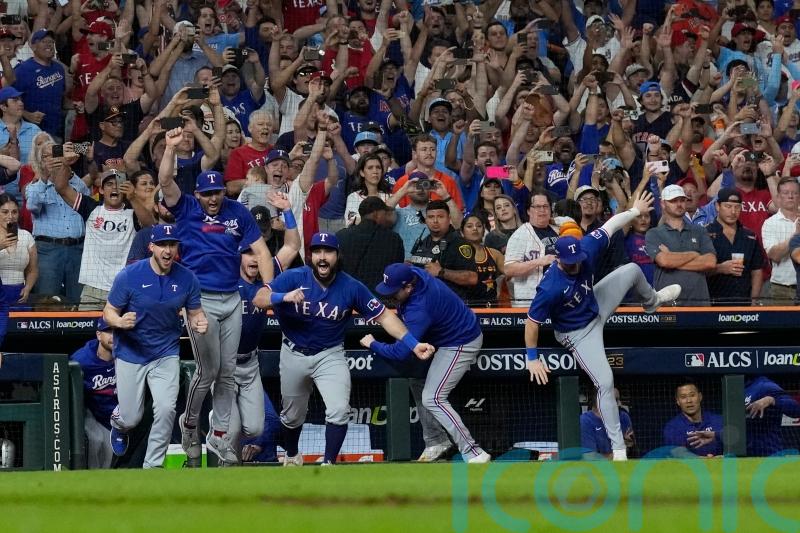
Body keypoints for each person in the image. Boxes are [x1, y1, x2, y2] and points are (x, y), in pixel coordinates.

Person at [524, 191, 681, 462]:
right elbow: (532, 322)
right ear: (558, 259)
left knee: (632, 270)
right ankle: (619, 449)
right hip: (577, 333)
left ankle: (652, 302)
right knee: (605, 382)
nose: (576, 266)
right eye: (570, 264)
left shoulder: (584, 248)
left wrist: (634, 212)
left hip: (595, 302)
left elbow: (610, 226)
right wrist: (532, 358)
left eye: (577, 262)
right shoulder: (550, 287)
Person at [262, 232, 434, 466]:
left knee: (339, 410)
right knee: (292, 417)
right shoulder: (293, 277)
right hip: (293, 352)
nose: (323, 258)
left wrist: (413, 344)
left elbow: (384, 317)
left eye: (328, 252)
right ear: (311, 255)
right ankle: (292, 455)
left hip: (329, 354)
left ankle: (329, 464)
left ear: (337, 255)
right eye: (318, 252)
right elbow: (259, 298)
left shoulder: (351, 286)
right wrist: (283, 297)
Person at [157, 126, 274, 465]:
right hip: (199, 300)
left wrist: (267, 287)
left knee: (225, 371)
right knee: (208, 370)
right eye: (207, 193)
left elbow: (262, 252)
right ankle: (190, 423)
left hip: (231, 299)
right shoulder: (188, 208)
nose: (212, 198)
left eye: (217, 193)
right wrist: (169, 149)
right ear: (198, 193)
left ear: (224, 191)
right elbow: (165, 182)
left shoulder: (237, 212)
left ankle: (220, 437)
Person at [362, 262, 491, 463]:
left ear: (409, 287)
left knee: (434, 397)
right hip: (439, 337)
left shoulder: (419, 308)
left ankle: (473, 451)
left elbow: (400, 352)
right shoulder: (414, 273)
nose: (390, 296)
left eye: (394, 292)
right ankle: (436, 441)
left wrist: (373, 344)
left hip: (461, 341)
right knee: (417, 379)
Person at [105, 224, 208, 469]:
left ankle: (153, 467)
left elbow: (195, 313)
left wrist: (199, 322)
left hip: (165, 352)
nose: (168, 250)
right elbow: (109, 311)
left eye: (172, 245)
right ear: (151, 246)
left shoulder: (187, 278)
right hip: (131, 352)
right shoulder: (130, 275)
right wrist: (119, 321)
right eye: (162, 244)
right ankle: (119, 424)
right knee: (132, 418)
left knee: (166, 409)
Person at [224, 192, 300, 465]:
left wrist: (288, 211)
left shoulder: (269, 278)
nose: (254, 258)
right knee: (230, 430)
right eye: (248, 253)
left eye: (257, 252)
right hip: (223, 365)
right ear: (239, 256)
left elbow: (291, 246)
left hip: (249, 362)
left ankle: (254, 463)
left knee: (264, 424)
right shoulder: (225, 278)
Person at [52, 165, 153, 309]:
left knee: (124, 330)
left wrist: (133, 198)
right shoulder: (91, 208)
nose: (114, 188)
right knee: (85, 331)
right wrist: (65, 163)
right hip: (93, 289)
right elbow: (61, 187)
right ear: (101, 189)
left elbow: (150, 226)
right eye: (109, 184)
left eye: (119, 184)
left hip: (124, 287)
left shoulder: (133, 212)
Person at [25, 141, 90, 304]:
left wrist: (68, 168)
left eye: (57, 153)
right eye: (48, 156)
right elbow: (32, 205)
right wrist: (45, 176)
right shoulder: (34, 186)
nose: (54, 159)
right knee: (47, 302)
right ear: (41, 161)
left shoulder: (77, 183)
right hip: (48, 251)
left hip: (78, 250)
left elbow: (88, 205)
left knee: (79, 302)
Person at [645, 185, 717, 306]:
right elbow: (664, 261)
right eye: (673, 201)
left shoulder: (700, 231)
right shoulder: (654, 233)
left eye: (682, 200)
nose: (679, 204)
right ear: (663, 204)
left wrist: (672, 258)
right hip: (667, 304)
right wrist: (694, 254)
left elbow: (710, 262)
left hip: (699, 303)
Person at [408, 199, 480, 302]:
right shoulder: (424, 241)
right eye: (431, 217)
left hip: (450, 306)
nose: (435, 221)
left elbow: (472, 278)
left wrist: (442, 272)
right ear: (426, 220)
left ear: (449, 218)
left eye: (440, 217)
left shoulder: (459, 244)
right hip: (424, 302)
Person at [69, 317, 116, 469]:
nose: (113, 336)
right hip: (92, 410)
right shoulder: (82, 360)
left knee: (110, 448)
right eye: (108, 331)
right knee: (95, 440)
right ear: (98, 334)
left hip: (118, 415)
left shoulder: (128, 356)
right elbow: (73, 395)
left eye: (117, 331)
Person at [706, 188, 765, 305]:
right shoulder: (705, 234)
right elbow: (697, 270)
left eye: (737, 207)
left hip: (744, 304)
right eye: (728, 206)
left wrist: (754, 301)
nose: (733, 212)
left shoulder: (750, 236)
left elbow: (757, 271)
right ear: (717, 206)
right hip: (713, 304)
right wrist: (720, 268)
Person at [336, 196, 404, 293]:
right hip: (380, 298)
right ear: (377, 214)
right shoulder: (393, 239)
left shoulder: (341, 235)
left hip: (347, 295)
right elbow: (396, 270)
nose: (387, 218)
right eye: (385, 213)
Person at [504, 191, 559, 308]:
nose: (542, 210)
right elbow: (509, 269)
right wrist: (539, 262)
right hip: (532, 300)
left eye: (545, 206)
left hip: (558, 297)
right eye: (537, 207)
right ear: (529, 211)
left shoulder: (559, 229)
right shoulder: (520, 235)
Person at [761, 177, 800, 303]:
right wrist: (796, 235)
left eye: (794, 193)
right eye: (786, 193)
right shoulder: (770, 223)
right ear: (778, 197)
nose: (790, 196)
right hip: (782, 289)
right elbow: (774, 255)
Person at [663, 380, 724, 458]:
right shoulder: (673, 427)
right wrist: (701, 460)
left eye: (692, 395)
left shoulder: (718, 421)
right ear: (678, 401)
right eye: (683, 397)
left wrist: (724, 457)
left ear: (700, 397)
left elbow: (735, 446)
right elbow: (677, 453)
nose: (689, 401)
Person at [746, 376, 800, 457]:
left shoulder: (764, 385)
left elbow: (795, 409)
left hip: (769, 455)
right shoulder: (731, 387)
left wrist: (772, 400)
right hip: (743, 456)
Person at [0, 193, 36, 309]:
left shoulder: (26, 236)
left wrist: (28, 288)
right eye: (5, 212)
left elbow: (33, 269)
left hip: (19, 294)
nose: (10, 216)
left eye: (14, 212)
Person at [461, 214, 504, 307]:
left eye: (479, 226)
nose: (475, 229)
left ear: (484, 230)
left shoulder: (494, 254)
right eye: (469, 226)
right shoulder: (456, 255)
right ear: (462, 232)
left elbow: (511, 273)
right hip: (465, 308)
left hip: (491, 309)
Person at [581, 388, 634, 460]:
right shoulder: (585, 421)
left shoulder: (623, 417)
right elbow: (591, 458)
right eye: (615, 400)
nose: (620, 404)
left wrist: (627, 445)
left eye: (619, 400)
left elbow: (630, 448)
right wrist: (621, 449)